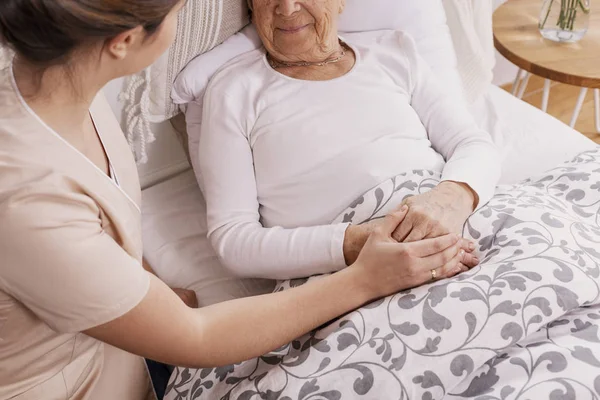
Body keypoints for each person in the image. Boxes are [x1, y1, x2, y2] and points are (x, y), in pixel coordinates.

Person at [0, 1, 478, 399]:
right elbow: (196, 335)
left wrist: (145, 293)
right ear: (123, 42)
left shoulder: (65, 92)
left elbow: (100, 224)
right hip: (83, 385)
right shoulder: (28, 200)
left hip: (126, 341)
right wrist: (365, 275)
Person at [196, 0, 502, 280]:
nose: (287, 8)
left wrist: (447, 202)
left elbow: (472, 143)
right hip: (358, 274)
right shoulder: (233, 91)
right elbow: (234, 240)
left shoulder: (393, 51)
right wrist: (365, 241)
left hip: (465, 225)